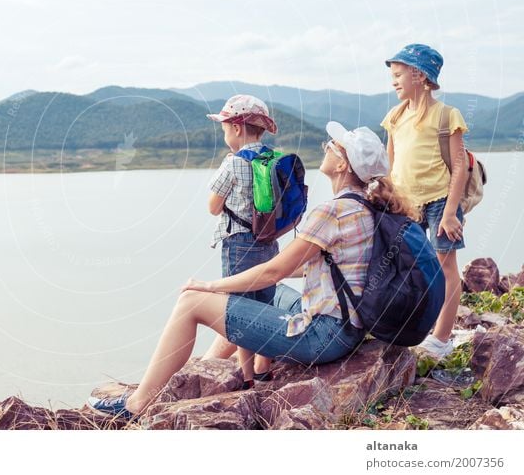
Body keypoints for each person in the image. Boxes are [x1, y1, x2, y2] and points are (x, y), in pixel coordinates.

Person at [88, 122, 416, 419]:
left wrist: (211, 286)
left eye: (331, 146)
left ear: (343, 164)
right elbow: (318, 272)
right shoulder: (367, 206)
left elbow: (274, 270)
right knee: (253, 295)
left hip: (322, 336)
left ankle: (137, 404)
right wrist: (236, 289)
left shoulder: (333, 211)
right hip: (347, 327)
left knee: (192, 302)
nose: (325, 148)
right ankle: (203, 371)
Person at [381, 43, 468, 361]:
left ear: (419, 75)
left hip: (439, 202)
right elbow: (389, 167)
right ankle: (412, 330)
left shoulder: (445, 115)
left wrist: (449, 213)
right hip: (406, 205)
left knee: (446, 269)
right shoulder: (394, 116)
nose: (393, 81)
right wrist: (387, 200)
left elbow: (459, 167)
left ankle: (441, 340)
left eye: (398, 74)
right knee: (410, 270)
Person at [202, 94, 281, 380]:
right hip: (269, 243)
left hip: (238, 243)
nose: (224, 132)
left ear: (236, 128)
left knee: (240, 311)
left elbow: (213, 207)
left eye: (224, 126)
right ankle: (264, 368)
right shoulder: (273, 159)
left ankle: (246, 377)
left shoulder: (233, 163)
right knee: (264, 306)